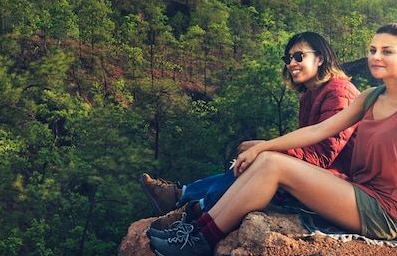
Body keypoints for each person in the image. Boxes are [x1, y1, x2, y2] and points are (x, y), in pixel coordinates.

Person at [148, 23, 397, 256]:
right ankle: (199, 236)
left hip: (384, 211)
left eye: (387, 51)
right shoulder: (371, 97)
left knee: (275, 165)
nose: (376, 57)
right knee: (268, 161)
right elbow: (317, 132)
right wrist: (260, 148)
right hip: (356, 191)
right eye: (373, 50)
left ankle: (200, 239)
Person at [140, 31, 360, 226]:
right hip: (324, 175)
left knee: (261, 159)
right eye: (288, 58)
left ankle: (192, 207)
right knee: (256, 159)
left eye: (299, 56)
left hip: (342, 186)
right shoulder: (310, 96)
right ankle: (181, 196)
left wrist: (264, 147)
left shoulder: (340, 93)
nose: (291, 63)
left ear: (320, 58)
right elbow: (308, 147)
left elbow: (321, 157)